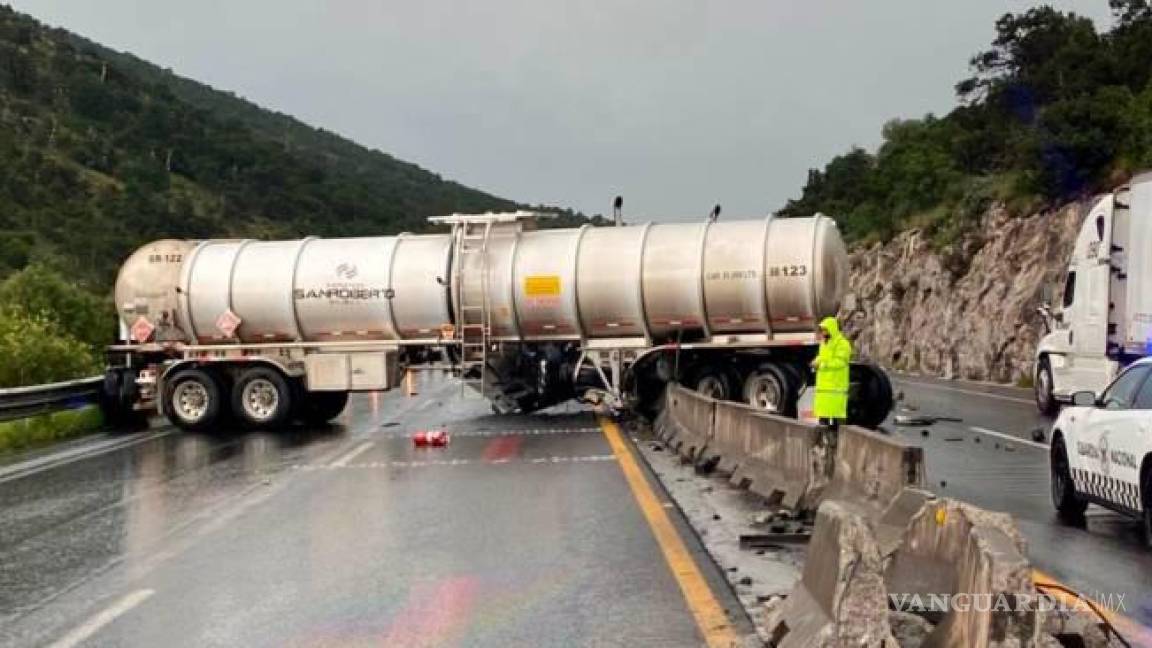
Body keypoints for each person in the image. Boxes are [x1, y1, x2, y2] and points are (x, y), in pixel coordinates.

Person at [811, 316, 852, 428]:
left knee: (838, 420)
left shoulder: (842, 344)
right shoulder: (824, 343)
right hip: (824, 389)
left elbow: (841, 362)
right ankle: (825, 442)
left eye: (825, 329)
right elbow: (822, 356)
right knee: (823, 419)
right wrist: (815, 362)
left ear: (832, 329)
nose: (823, 332)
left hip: (836, 388)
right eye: (822, 329)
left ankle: (838, 441)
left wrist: (822, 365)